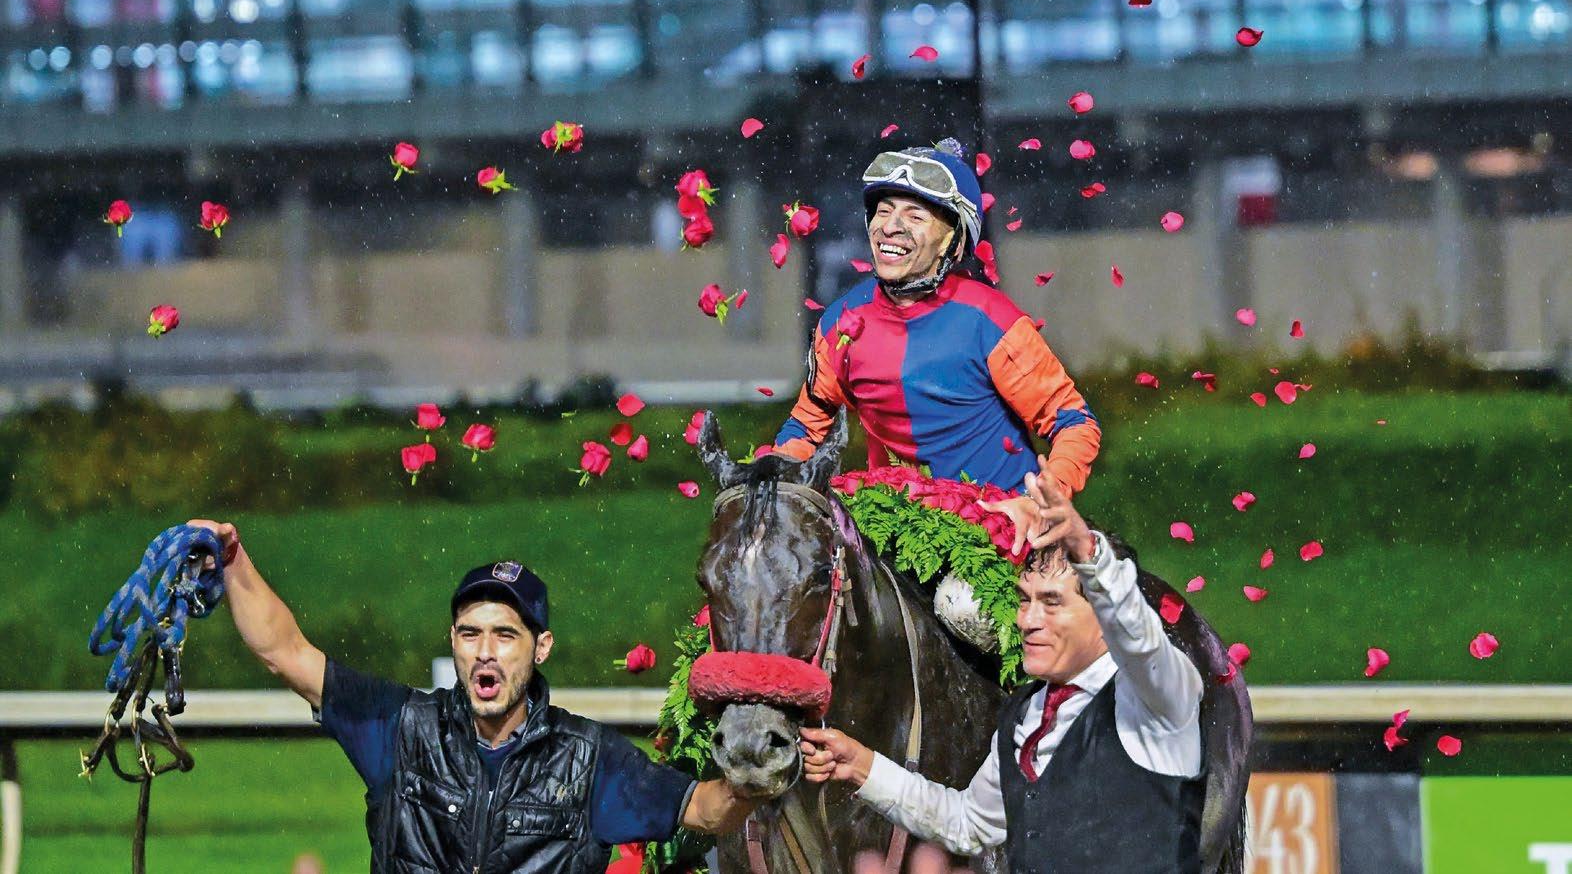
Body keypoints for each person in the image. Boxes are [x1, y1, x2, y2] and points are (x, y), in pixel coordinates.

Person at [186, 519, 754, 873]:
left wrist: (762, 766)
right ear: (452, 642)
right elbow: (285, 652)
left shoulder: (590, 759)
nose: (485, 651)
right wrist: (233, 560)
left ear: (541, 647)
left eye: (505, 635)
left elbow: (707, 810)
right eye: (469, 633)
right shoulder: (401, 728)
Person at [797, 460, 1207, 872]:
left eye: (1052, 602)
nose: (1027, 620)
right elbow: (967, 824)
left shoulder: (1157, 696)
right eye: (1025, 599)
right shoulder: (1026, 712)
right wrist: (862, 766)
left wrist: (1088, 553)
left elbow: (1140, 640)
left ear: (1103, 613)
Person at [773, 138, 1101, 536]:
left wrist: (1042, 501)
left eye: (915, 216)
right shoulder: (839, 323)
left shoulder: (991, 321)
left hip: (999, 532)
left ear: (954, 241)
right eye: (884, 211)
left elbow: (1074, 422)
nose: (890, 227)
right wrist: (769, 483)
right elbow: (806, 427)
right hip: (892, 531)